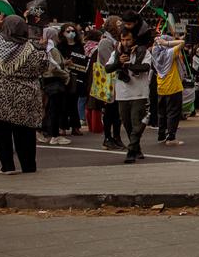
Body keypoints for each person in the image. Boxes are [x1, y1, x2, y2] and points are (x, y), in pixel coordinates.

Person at [0, 15, 47, 174]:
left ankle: (7, 166)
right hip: (25, 97)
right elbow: (43, 67)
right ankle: (28, 166)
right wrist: (42, 48)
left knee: (0, 134)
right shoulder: (33, 48)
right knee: (25, 134)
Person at [104, 27, 152, 163]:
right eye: (123, 40)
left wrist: (128, 65)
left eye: (128, 40)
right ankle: (137, 148)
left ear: (134, 39)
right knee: (127, 123)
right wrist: (119, 62)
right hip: (122, 94)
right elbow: (107, 68)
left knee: (137, 122)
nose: (125, 42)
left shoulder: (142, 52)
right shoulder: (116, 53)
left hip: (139, 93)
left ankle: (131, 150)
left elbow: (146, 67)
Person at [93, 17, 125, 151]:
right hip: (108, 81)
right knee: (110, 111)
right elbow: (108, 62)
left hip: (116, 80)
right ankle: (108, 137)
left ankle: (117, 137)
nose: (120, 26)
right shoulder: (106, 42)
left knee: (117, 112)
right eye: (117, 25)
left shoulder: (116, 41)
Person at [151, 34, 186, 145]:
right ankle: (171, 137)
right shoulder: (169, 53)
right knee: (173, 113)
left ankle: (161, 135)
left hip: (161, 86)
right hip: (173, 86)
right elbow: (182, 42)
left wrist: (159, 42)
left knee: (162, 113)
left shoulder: (155, 53)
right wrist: (166, 43)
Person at [39, 26, 71, 145]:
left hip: (46, 81)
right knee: (55, 109)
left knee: (49, 109)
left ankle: (45, 131)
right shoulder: (53, 49)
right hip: (55, 82)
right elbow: (55, 68)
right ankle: (54, 135)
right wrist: (66, 75)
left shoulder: (44, 48)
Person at [57, 23, 87, 137]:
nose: (71, 33)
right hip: (64, 76)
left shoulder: (79, 45)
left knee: (74, 101)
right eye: (68, 31)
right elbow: (57, 60)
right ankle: (63, 127)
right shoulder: (60, 46)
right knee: (63, 102)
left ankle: (75, 127)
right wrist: (65, 63)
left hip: (76, 76)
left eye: (72, 31)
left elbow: (83, 60)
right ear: (63, 33)